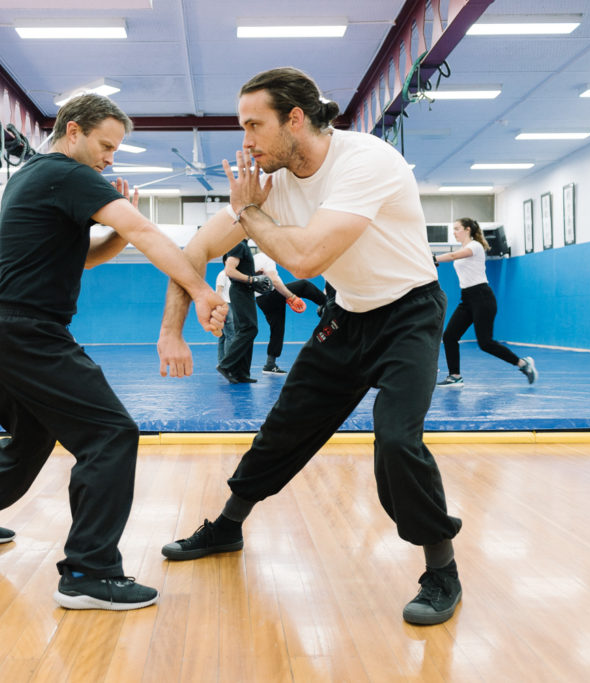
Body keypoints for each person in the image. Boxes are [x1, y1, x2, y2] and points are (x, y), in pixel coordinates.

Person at [156, 67, 463, 626]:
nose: (245, 141)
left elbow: (306, 258)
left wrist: (248, 213)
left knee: (397, 439)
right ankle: (227, 527)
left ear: (294, 119)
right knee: (284, 428)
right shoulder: (269, 183)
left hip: (409, 312)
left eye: (254, 125)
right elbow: (193, 250)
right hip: (347, 315)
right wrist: (174, 326)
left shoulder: (365, 161)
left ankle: (442, 569)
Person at [0, 94, 227, 612]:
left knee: (31, 437)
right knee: (111, 434)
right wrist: (200, 290)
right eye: (105, 146)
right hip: (29, 333)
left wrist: (117, 233)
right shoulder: (67, 173)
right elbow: (145, 230)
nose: (110, 159)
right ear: (73, 131)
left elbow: (82, 257)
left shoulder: (33, 175)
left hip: (1, 329)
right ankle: (90, 572)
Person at [434, 218, 537, 387]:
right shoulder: (464, 249)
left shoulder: (475, 246)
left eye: (457, 228)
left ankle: (523, 363)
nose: (454, 232)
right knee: (450, 336)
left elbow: (452, 256)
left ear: (468, 229)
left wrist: (433, 258)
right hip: (467, 299)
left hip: (482, 297)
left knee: (485, 343)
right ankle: (455, 376)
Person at [251, 248, 327, 374]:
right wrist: (291, 296)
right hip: (271, 295)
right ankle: (328, 304)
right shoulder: (267, 258)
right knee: (304, 285)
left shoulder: (254, 259)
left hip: (260, 300)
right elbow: (275, 281)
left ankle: (270, 364)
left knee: (277, 329)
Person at [217, 238, 272, 383]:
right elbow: (229, 270)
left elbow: (239, 270)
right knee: (249, 329)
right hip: (240, 291)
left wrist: (254, 274)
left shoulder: (243, 246)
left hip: (245, 292)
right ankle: (226, 365)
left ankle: (241, 373)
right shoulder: (238, 244)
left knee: (247, 330)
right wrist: (252, 279)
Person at [214, 264, 234, 364]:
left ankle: (222, 362)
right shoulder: (223, 275)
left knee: (223, 335)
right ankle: (228, 363)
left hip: (229, 305)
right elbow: (218, 291)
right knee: (231, 334)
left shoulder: (232, 275)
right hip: (225, 305)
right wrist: (220, 307)